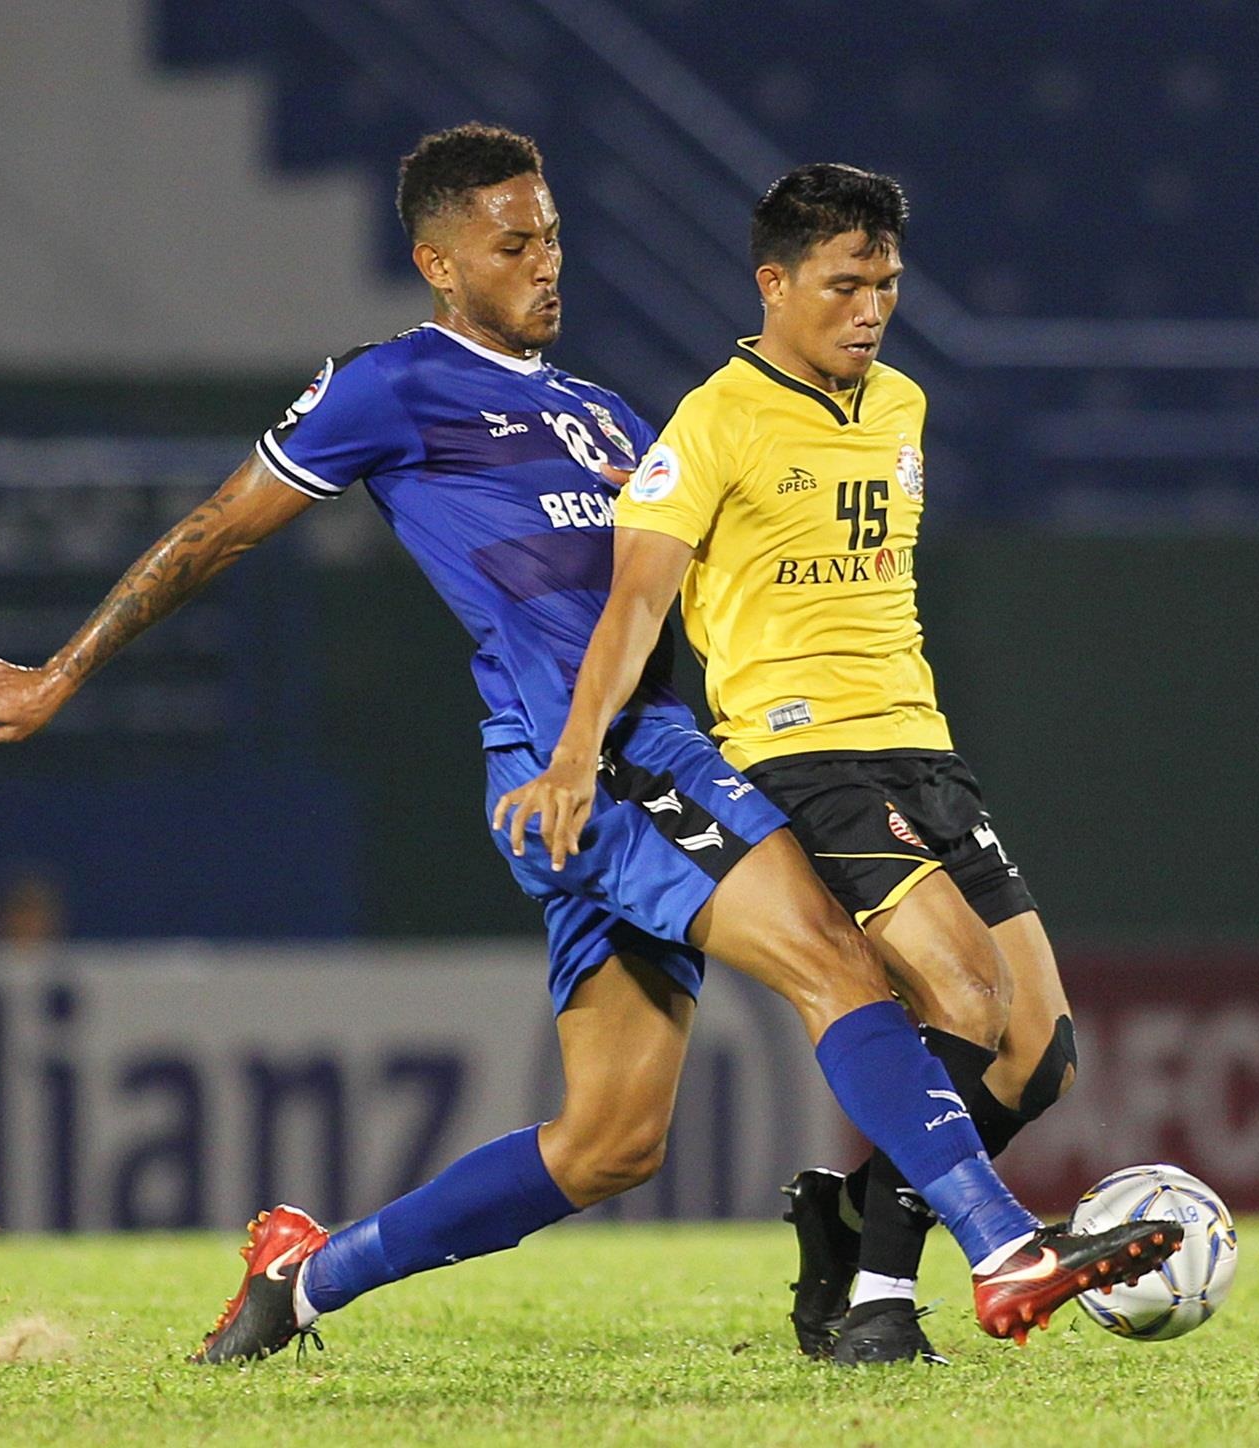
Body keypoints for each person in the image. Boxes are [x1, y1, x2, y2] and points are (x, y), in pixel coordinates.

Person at [0, 124, 1177, 1365]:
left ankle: (304, 1276)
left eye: (554, 235)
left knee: (609, 1142)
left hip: (611, 769)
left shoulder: (604, 411)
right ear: (440, 265)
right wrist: (63, 670)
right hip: (593, 762)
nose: (546, 263)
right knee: (836, 965)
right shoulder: (389, 382)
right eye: (513, 245)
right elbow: (218, 527)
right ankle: (998, 1245)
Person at [495, 164, 1082, 1366]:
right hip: (804, 751)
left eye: (888, 285)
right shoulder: (711, 419)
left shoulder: (902, 404)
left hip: (923, 747)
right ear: (774, 283)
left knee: (1040, 1055)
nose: (869, 309)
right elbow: (631, 609)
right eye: (843, 284)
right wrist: (569, 756)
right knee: (964, 999)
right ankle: (877, 1296)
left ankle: (842, 1222)